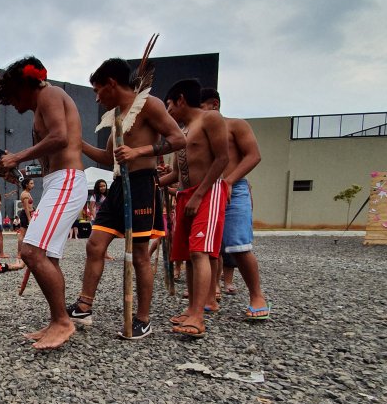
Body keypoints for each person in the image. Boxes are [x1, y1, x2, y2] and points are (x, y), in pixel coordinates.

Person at [66, 58, 186, 338]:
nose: (96, 97)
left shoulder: (149, 104)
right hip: (119, 185)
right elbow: (109, 157)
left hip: (143, 185)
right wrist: (78, 143)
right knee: (95, 244)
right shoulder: (117, 116)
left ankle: (143, 319)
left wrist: (139, 151)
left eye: (98, 90)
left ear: (111, 84)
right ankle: (84, 305)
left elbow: (178, 139)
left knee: (141, 255)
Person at [0, 56, 88, 350]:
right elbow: (50, 153)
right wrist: (16, 172)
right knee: (47, 258)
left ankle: (63, 323)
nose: (12, 103)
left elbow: (61, 138)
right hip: (57, 181)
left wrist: (17, 156)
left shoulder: (50, 94)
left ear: (27, 85)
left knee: (30, 251)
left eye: (13, 94)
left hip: (67, 182)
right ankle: (58, 320)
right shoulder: (42, 104)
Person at [164, 79, 229, 338]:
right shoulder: (184, 130)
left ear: (180, 100)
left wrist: (199, 194)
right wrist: (155, 180)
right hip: (185, 194)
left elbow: (223, 158)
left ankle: (199, 316)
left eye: (169, 104)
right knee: (188, 254)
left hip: (207, 193)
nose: (168, 111)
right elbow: (177, 174)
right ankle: (191, 308)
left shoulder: (210, 119)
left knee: (200, 252)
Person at [199, 88, 269, 318]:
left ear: (214, 105)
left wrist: (229, 181)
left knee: (238, 245)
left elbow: (253, 155)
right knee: (208, 249)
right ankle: (210, 296)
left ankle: (257, 296)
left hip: (233, 188)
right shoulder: (195, 132)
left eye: (201, 108)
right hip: (206, 189)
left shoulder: (236, 125)